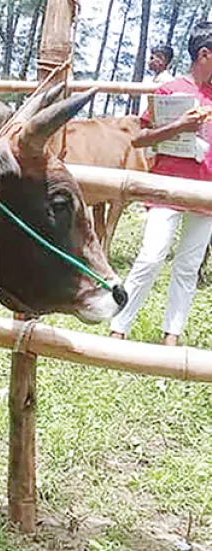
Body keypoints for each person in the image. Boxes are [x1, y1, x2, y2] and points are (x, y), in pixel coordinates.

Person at [109, 21, 212, 346]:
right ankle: (118, 327)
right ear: (204, 54)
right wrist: (179, 126)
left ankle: (172, 335)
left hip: (206, 191)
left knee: (188, 265)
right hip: (167, 185)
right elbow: (140, 139)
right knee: (151, 256)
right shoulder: (168, 91)